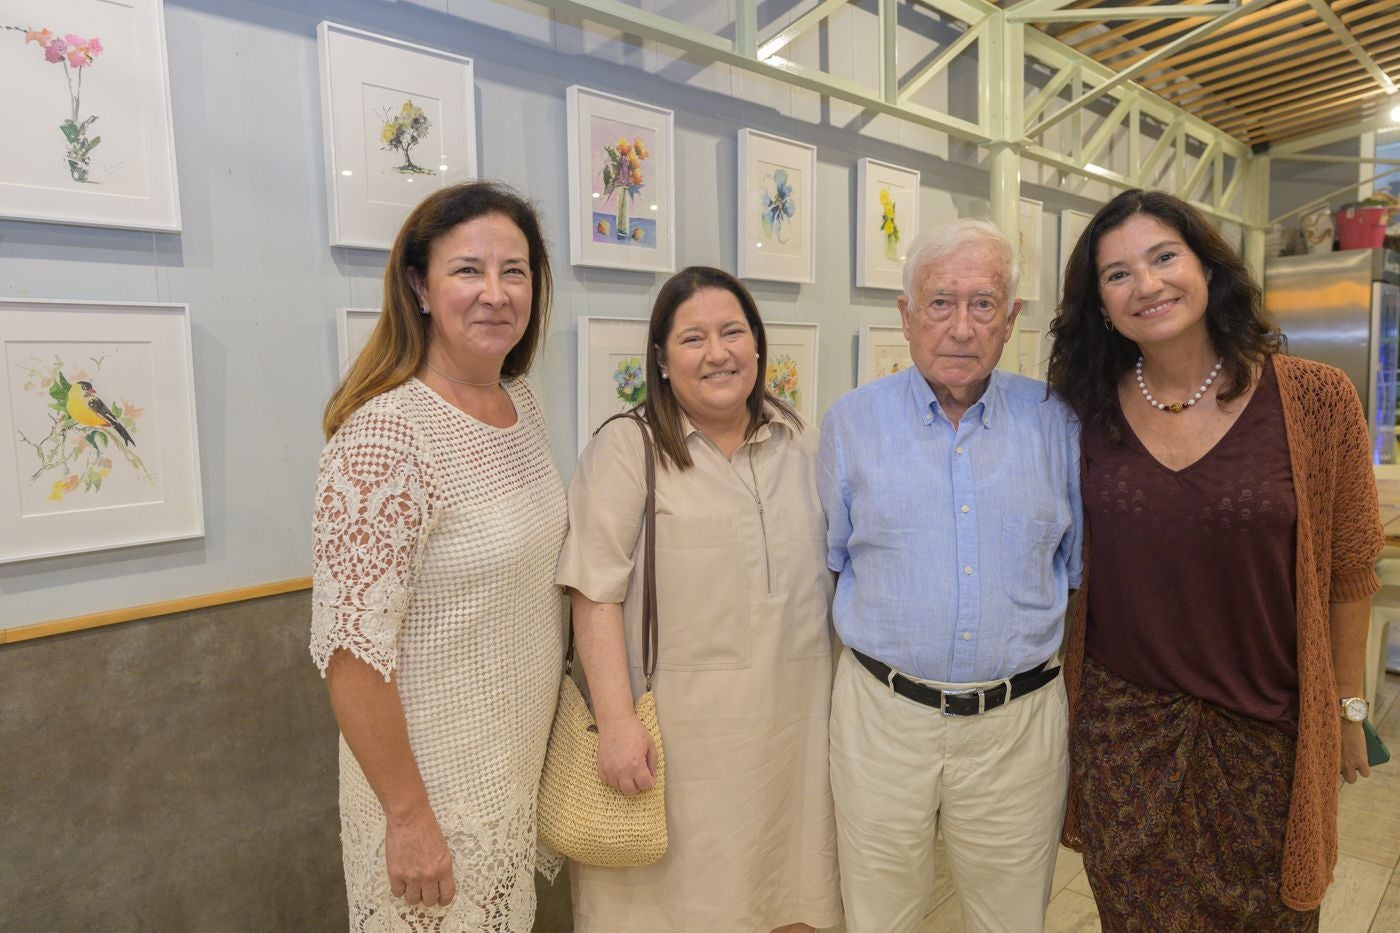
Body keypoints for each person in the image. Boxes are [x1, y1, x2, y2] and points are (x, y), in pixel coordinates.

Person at [1047, 188, 1381, 929]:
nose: (1148, 283)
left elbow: (1352, 566)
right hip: (1125, 739)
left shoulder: (1316, 398)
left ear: (1207, 267)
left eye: (1165, 256)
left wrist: (1348, 708)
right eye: (1118, 273)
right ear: (1100, 304)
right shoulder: (1079, 411)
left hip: (1268, 737)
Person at [554, 266, 842, 932]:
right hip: (675, 752)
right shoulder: (627, 449)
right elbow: (592, 594)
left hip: (794, 740)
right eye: (692, 338)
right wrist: (617, 722)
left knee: (789, 900)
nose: (718, 353)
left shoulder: (802, 443)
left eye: (733, 332)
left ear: (759, 346)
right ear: (660, 358)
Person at [309, 181, 565, 932]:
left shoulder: (521, 404)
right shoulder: (385, 436)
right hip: (430, 801)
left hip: (506, 778)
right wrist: (409, 816)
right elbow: (352, 654)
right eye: (468, 270)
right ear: (419, 286)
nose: (495, 293)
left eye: (514, 271)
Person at [818, 219, 1082, 932]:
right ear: (906, 315)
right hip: (882, 716)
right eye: (940, 302)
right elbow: (833, 558)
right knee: (879, 915)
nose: (961, 327)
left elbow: (1079, 571)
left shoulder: (1060, 426)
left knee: (1011, 918)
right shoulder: (850, 425)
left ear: (1012, 319)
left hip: (1017, 727)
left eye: (983, 303)